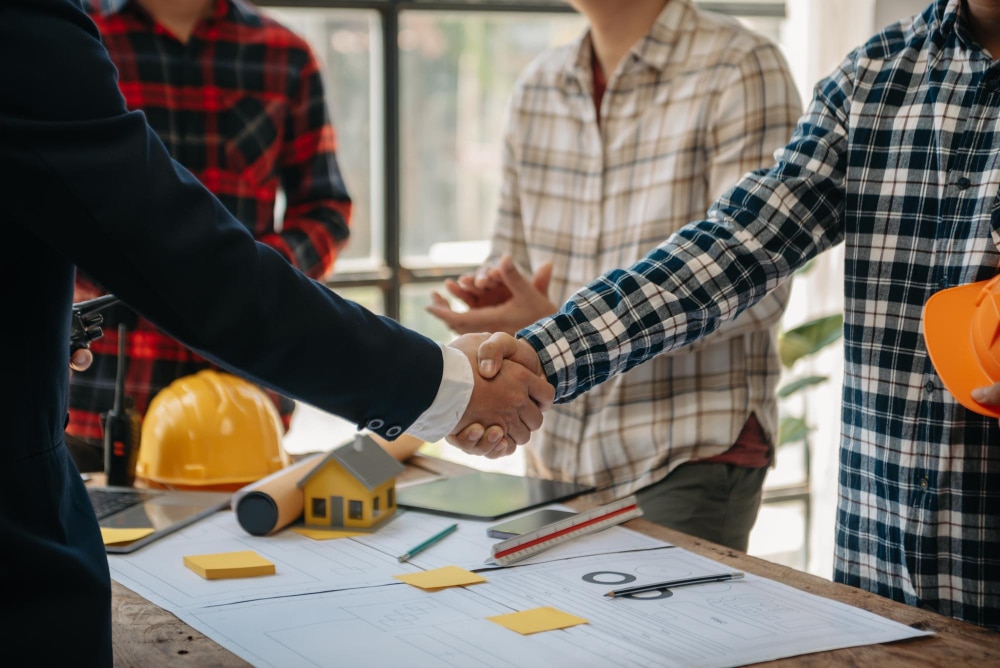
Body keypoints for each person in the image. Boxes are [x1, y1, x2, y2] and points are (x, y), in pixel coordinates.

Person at [0, 1, 551, 664]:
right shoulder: (41, 26)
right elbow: (175, 253)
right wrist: (446, 385)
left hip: (246, 401)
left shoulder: (280, 52)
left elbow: (248, 234)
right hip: (92, 427)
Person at [464, 0, 1000, 630]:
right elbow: (737, 245)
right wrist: (542, 352)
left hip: (691, 452)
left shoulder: (743, 63)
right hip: (879, 577)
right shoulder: (875, 76)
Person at [427, 0, 801, 551]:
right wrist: (511, 321)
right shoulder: (538, 87)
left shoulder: (740, 66)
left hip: (685, 450)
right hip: (557, 453)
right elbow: (515, 264)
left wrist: (550, 329)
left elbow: (758, 283)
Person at [66, 0, 355, 472]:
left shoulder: (286, 55)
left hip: (243, 407)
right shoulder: (75, 39)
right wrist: (114, 276)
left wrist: (248, 281)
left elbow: (327, 210)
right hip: (97, 403)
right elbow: (32, 198)